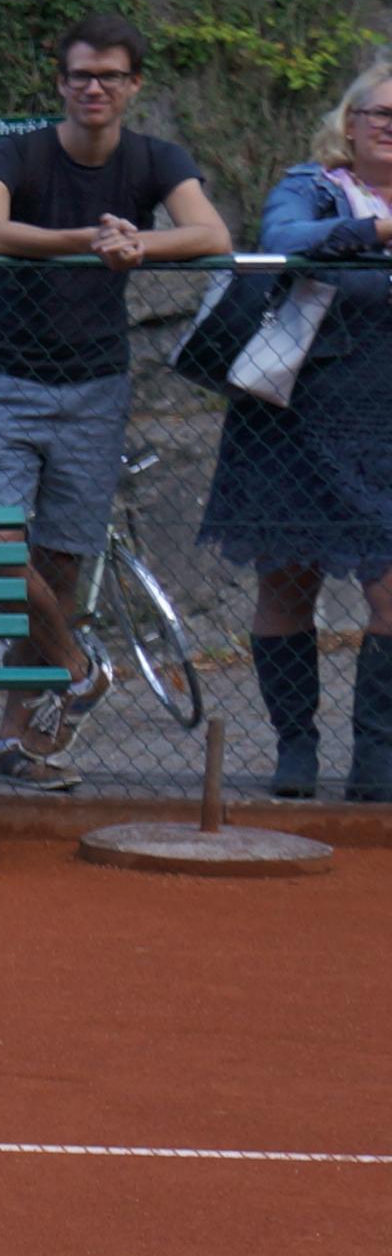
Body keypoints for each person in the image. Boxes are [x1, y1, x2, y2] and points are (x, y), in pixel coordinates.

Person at [0, 15, 231, 790]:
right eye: (80, 74)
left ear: (134, 84)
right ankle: (80, 669)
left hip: (96, 386)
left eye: (110, 75)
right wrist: (85, 239)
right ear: (61, 83)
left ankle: (21, 737)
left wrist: (138, 244)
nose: (94, 87)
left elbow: (209, 233)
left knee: (61, 564)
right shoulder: (18, 153)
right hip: (9, 378)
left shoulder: (154, 157)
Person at [200, 55, 392, 800]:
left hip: (383, 424)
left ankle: (376, 759)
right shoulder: (311, 186)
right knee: (287, 586)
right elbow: (284, 239)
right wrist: (378, 227)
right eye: (381, 114)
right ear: (351, 123)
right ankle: (296, 750)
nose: (391, 127)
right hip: (294, 415)